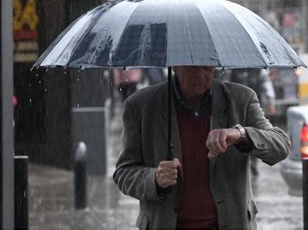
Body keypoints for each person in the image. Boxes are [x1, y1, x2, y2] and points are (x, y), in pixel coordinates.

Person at [113, 66, 290, 229]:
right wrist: (154, 178)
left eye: (206, 65)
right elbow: (124, 172)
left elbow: (281, 145)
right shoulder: (140, 106)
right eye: (191, 66)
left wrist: (241, 135)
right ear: (174, 65)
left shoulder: (241, 99)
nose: (199, 72)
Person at [229, 68, 277, 177]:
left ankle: (253, 162)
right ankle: (243, 162)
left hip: (253, 108)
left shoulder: (258, 70)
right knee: (238, 134)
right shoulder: (232, 69)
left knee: (252, 135)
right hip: (235, 108)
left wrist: (270, 103)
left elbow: (266, 85)